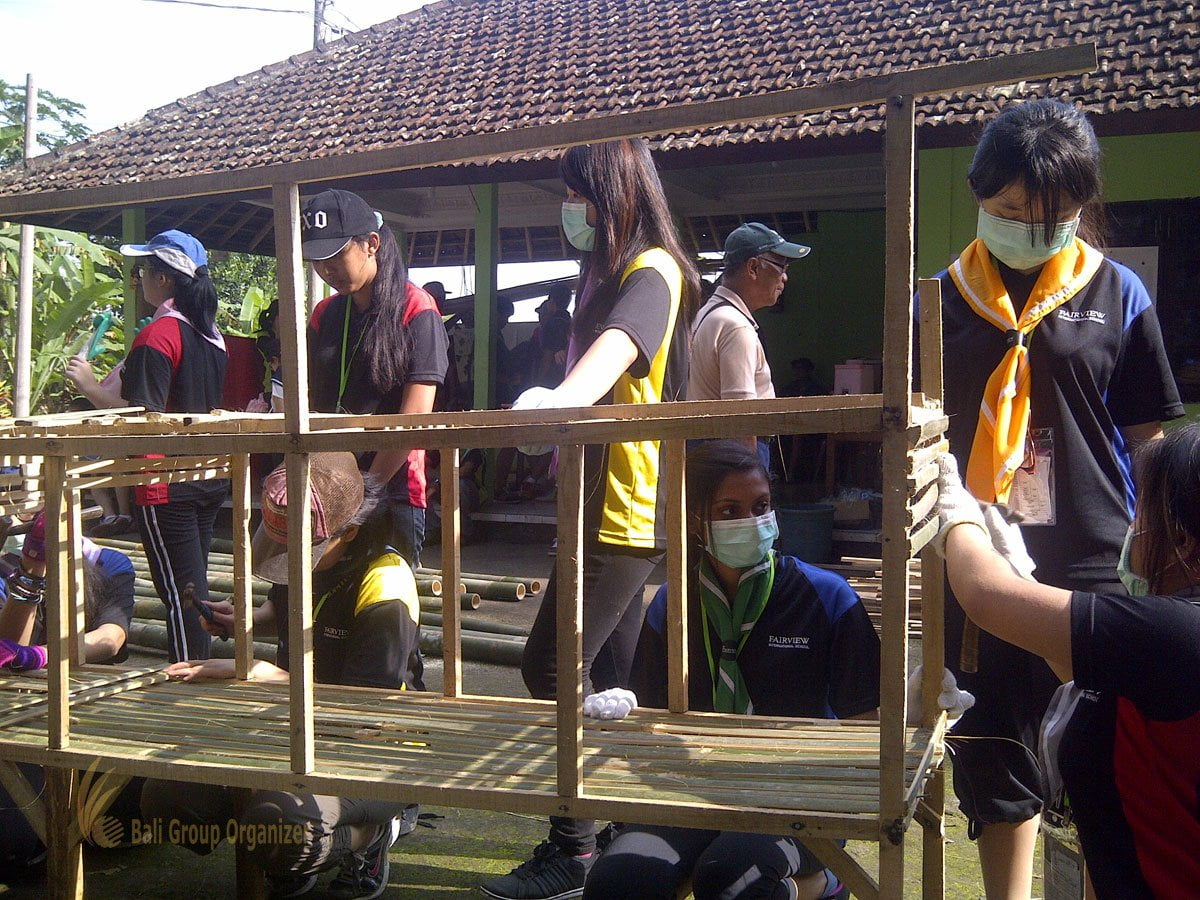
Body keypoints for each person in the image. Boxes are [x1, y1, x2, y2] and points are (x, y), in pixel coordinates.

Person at [931, 99, 1183, 896]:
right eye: (1009, 211)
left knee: (1101, 764)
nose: (1027, 230)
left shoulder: (1119, 292)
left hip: (1096, 562)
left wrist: (1161, 554)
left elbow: (1148, 440)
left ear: (1080, 206)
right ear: (979, 194)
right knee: (996, 757)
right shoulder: (936, 301)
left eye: (1050, 216)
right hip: (978, 558)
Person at [481, 138, 701, 900]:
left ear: (616, 196)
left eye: (578, 195)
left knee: (549, 666)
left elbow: (618, 351)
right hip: (601, 504)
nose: (569, 209)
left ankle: (572, 846)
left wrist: (557, 401)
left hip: (622, 508)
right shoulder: (607, 275)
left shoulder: (652, 271)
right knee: (613, 678)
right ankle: (627, 831)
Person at [583, 440, 879, 900]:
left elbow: (867, 724)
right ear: (695, 521)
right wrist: (618, 711)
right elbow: (651, 719)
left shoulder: (827, 596)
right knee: (615, 884)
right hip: (696, 783)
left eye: (761, 506)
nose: (752, 521)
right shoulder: (673, 602)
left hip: (801, 790)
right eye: (729, 510)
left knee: (732, 881)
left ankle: (824, 885)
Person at [142, 452, 422, 899]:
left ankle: (372, 834)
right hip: (293, 729)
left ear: (350, 532)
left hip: (374, 748)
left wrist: (268, 675)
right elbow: (284, 609)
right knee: (169, 799)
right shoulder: (306, 559)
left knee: (286, 829)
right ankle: (274, 841)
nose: (291, 559)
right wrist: (245, 622)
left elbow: (366, 709)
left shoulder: (386, 581)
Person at [933, 436, 1200, 898]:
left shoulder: (1175, 632)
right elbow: (1080, 682)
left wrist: (959, 518)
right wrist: (1022, 577)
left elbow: (983, 595)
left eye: (1142, 514)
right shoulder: (1169, 638)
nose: (1132, 527)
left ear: (1181, 538)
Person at [303, 189, 449, 567]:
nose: (326, 269)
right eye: (317, 260)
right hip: (326, 491)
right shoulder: (324, 314)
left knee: (382, 599)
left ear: (372, 244)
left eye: (336, 256)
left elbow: (413, 419)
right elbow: (307, 401)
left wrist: (362, 495)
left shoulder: (416, 309)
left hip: (392, 493)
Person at [0, 513, 135, 870]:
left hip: (94, 711)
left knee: (134, 809)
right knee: (15, 839)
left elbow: (110, 638)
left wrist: (41, 656)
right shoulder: (7, 567)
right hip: (20, 717)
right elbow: (7, 648)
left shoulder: (110, 563)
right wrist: (32, 572)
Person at [119, 229, 228, 663]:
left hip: (164, 481)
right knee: (194, 587)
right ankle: (199, 670)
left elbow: (141, 416)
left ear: (162, 278)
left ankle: (188, 676)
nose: (139, 279)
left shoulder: (158, 335)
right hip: (208, 475)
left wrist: (89, 385)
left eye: (143, 270)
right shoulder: (213, 337)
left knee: (179, 593)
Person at [687, 222, 810, 467]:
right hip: (731, 458)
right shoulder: (735, 327)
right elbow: (742, 420)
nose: (785, 277)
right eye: (781, 266)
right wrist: (748, 476)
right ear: (753, 267)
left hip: (709, 453)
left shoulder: (709, 313)